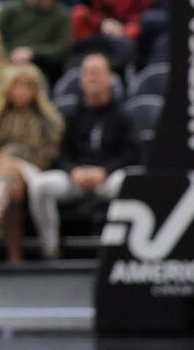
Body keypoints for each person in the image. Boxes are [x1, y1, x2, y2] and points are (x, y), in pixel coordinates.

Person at [26, 53, 138, 258]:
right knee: (40, 185)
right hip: (76, 178)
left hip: (107, 178)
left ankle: (117, 250)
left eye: (98, 72)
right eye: (88, 73)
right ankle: (50, 250)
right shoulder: (72, 115)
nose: (93, 78)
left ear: (111, 78)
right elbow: (60, 154)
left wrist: (104, 171)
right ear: (81, 80)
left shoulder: (123, 115)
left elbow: (132, 154)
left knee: (125, 183)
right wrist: (73, 171)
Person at [0, 64, 65, 262]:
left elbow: (46, 156)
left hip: (33, 171)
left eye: (27, 86)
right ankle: (14, 255)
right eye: (17, 86)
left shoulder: (48, 120)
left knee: (9, 168)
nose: (22, 92)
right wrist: (5, 160)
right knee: (12, 185)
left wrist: (12, 154)